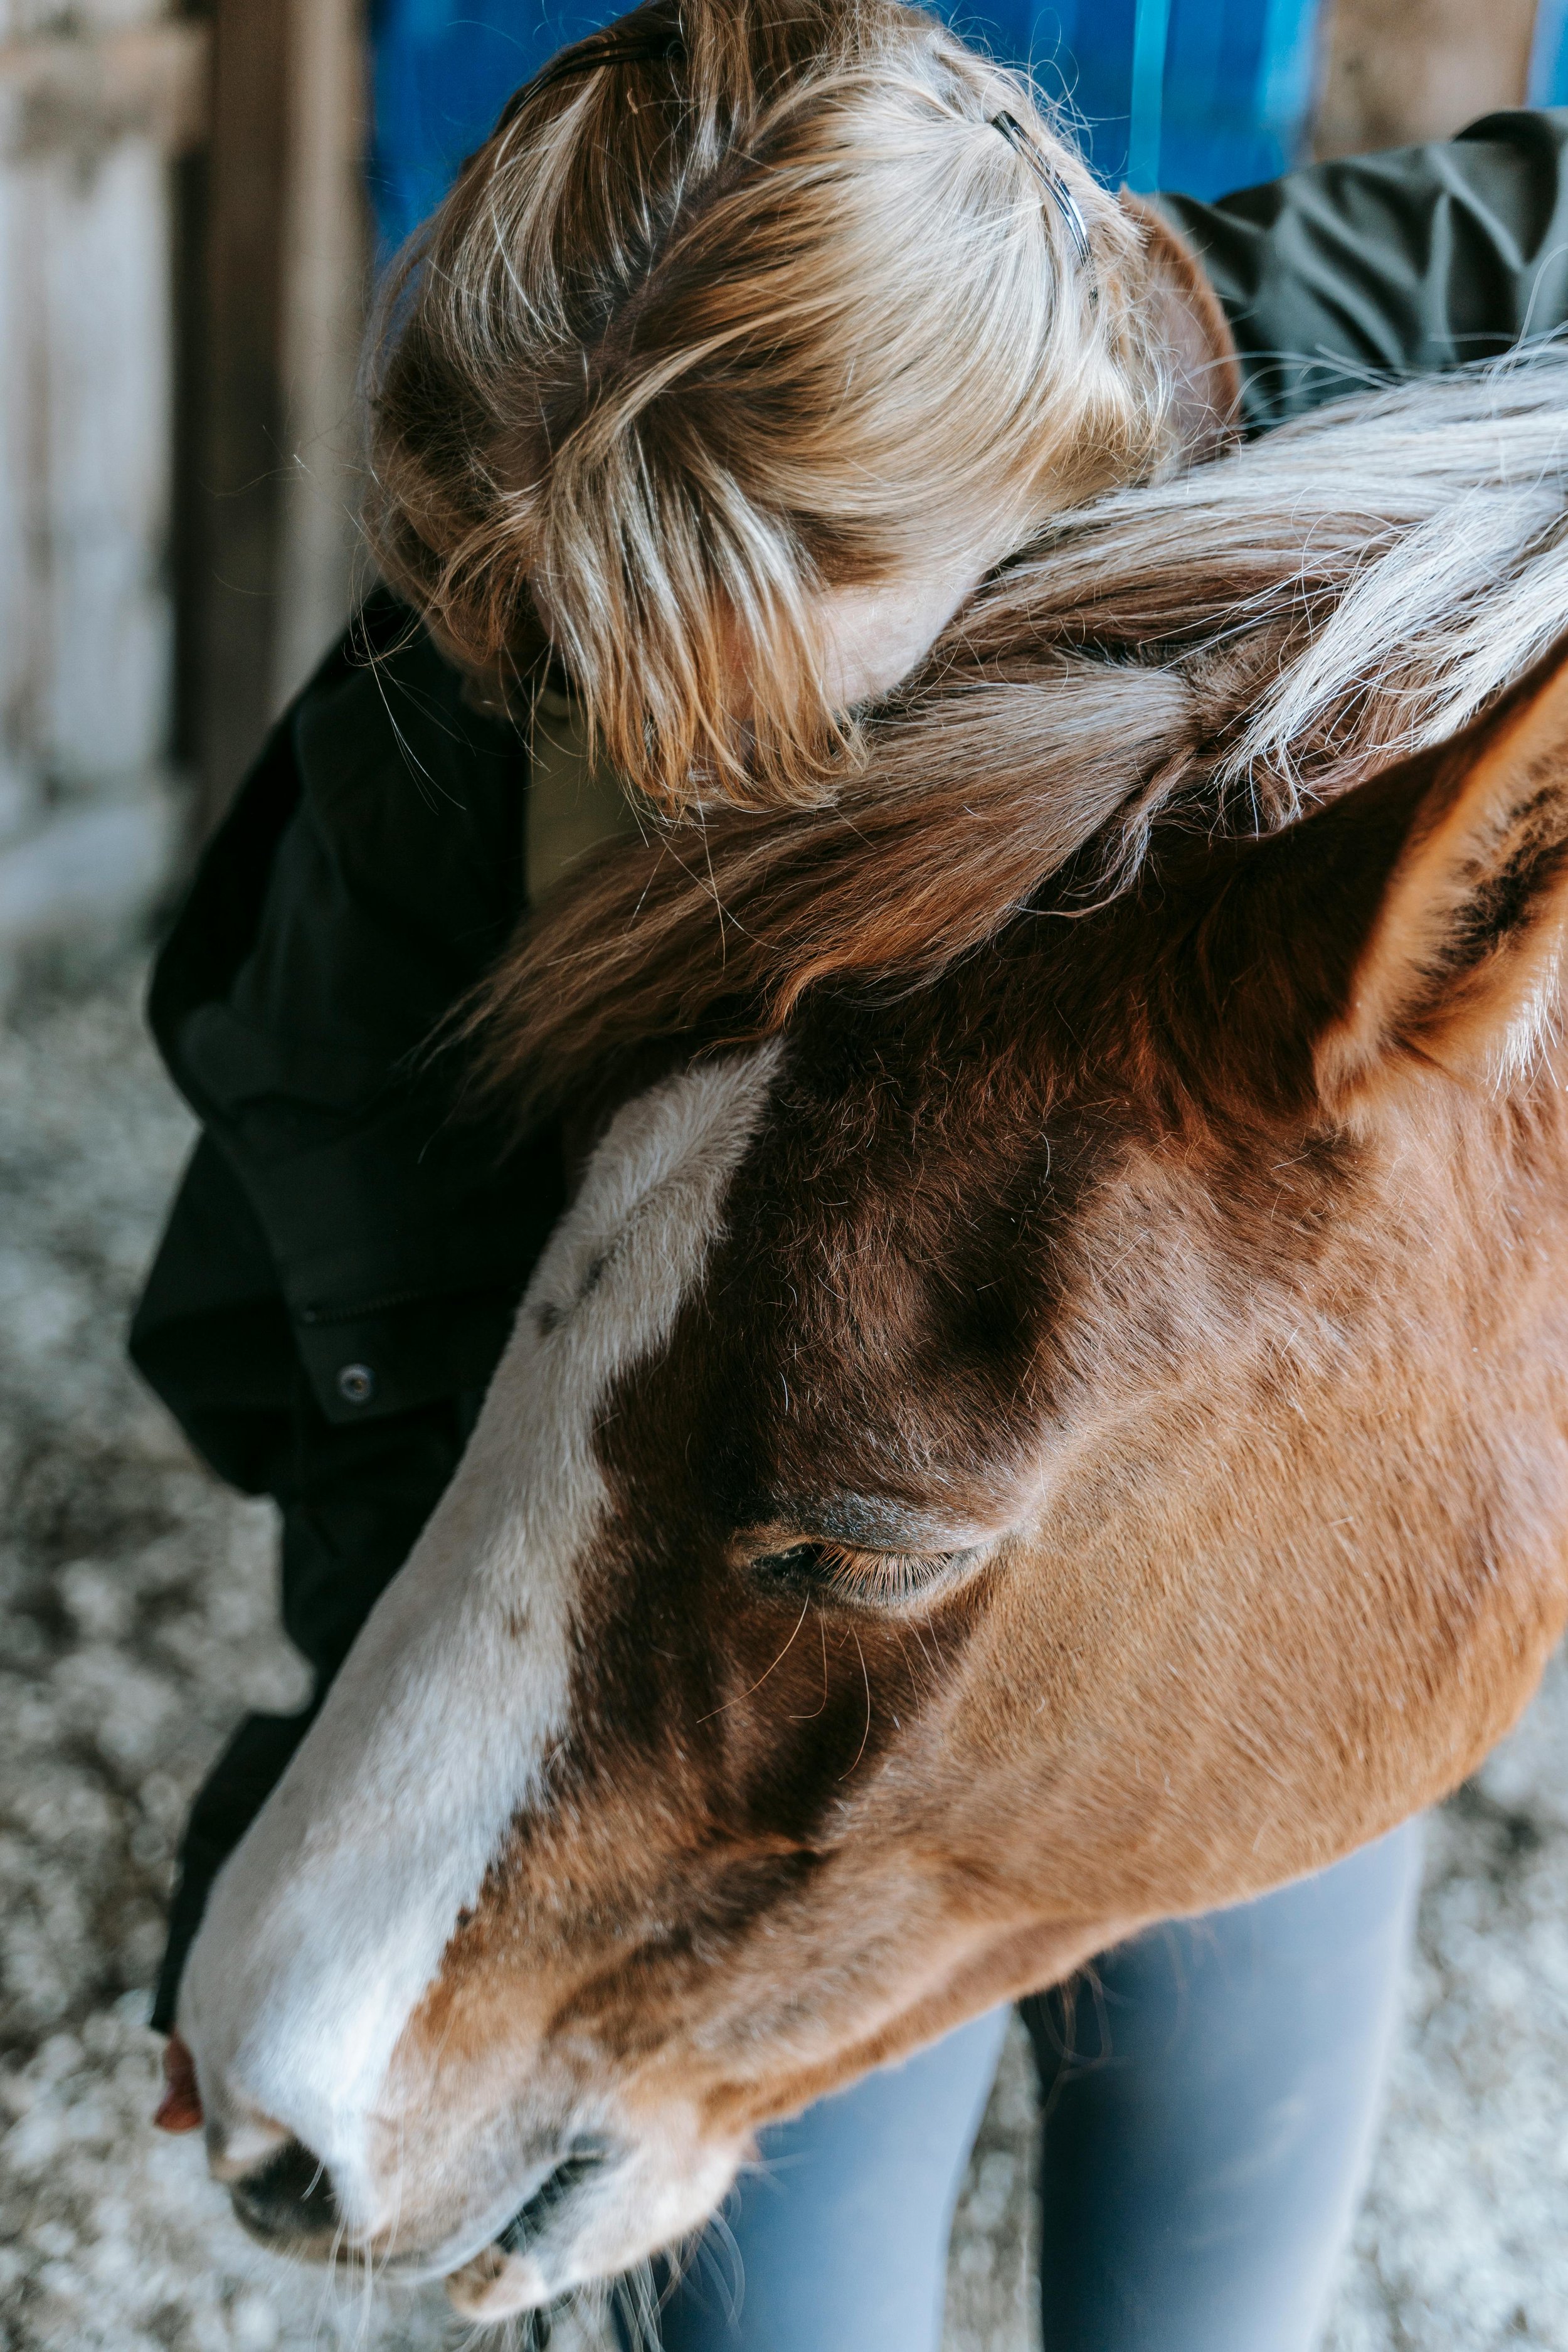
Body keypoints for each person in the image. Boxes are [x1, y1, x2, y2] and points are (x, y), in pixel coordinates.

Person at [132, 3, 1568, 2341]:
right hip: (753, 1595)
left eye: (787, 709)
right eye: (576, 677)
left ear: (1061, 467)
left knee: (1224, 2216)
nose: (674, 768)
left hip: (1151, 1492)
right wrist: (368, 1830)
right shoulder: (448, 754)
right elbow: (384, 1362)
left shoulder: (1295, 360)